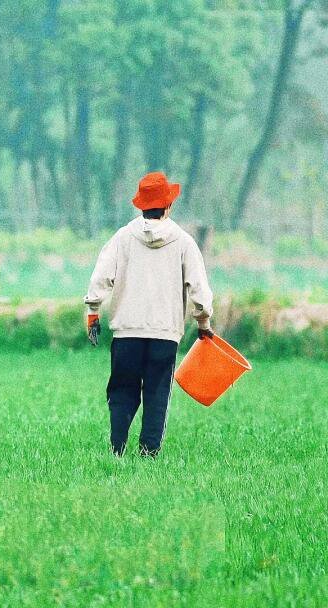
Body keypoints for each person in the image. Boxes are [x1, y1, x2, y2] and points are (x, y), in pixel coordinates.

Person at [84, 171, 214, 457]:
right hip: (164, 335)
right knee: (157, 394)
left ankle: (117, 448)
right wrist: (203, 323)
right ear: (168, 206)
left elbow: (100, 278)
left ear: (141, 205)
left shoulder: (122, 238)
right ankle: (149, 453)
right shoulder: (183, 242)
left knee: (121, 391)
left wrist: (93, 311)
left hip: (126, 333)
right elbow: (199, 291)